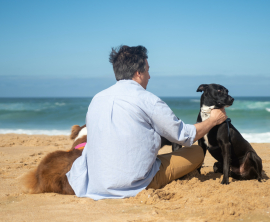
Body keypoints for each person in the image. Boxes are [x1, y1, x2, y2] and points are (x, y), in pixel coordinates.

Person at [66, 45, 227, 200]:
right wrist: (213, 120)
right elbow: (185, 136)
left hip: (95, 183)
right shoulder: (148, 100)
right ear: (138, 73)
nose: (149, 76)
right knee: (197, 152)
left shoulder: (96, 99)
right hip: (134, 185)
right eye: (148, 70)